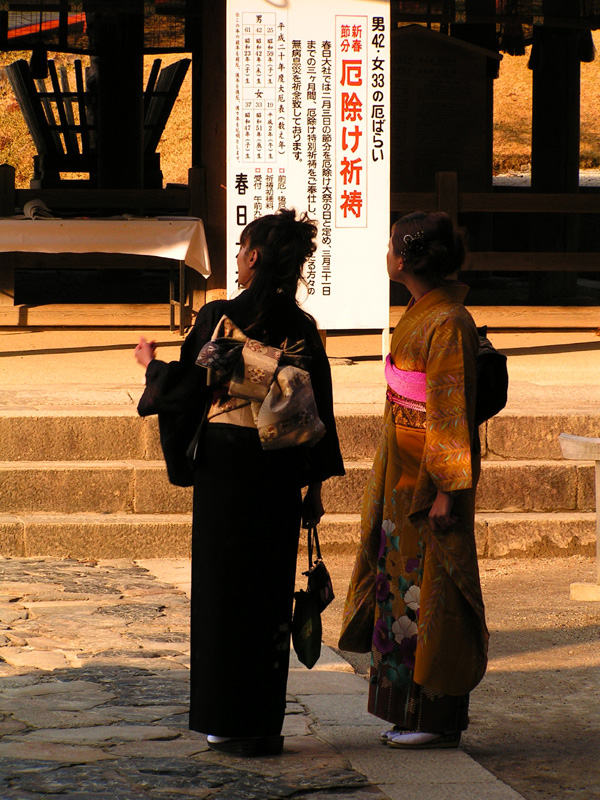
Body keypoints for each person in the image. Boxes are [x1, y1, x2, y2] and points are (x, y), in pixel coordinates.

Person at [134, 208, 344, 758]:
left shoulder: (220, 319)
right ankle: (262, 722)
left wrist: (152, 371)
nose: (237, 258)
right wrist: (314, 488)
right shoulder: (302, 331)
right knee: (268, 595)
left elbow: (189, 389)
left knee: (223, 594)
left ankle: (225, 721)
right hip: (277, 471)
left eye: (241, 248)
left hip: (226, 468)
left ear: (252, 257)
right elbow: (318, 413)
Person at [339, 211, 488, 750]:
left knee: (433, 596)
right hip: (403, 473)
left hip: (429, 479)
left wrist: (448, 488)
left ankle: (435, 716)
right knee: (402, 594)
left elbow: (450, 410)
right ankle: (407, 710)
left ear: (403, 260)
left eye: (389, 247)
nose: (386, 255)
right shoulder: (424, 314)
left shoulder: (447, 321)